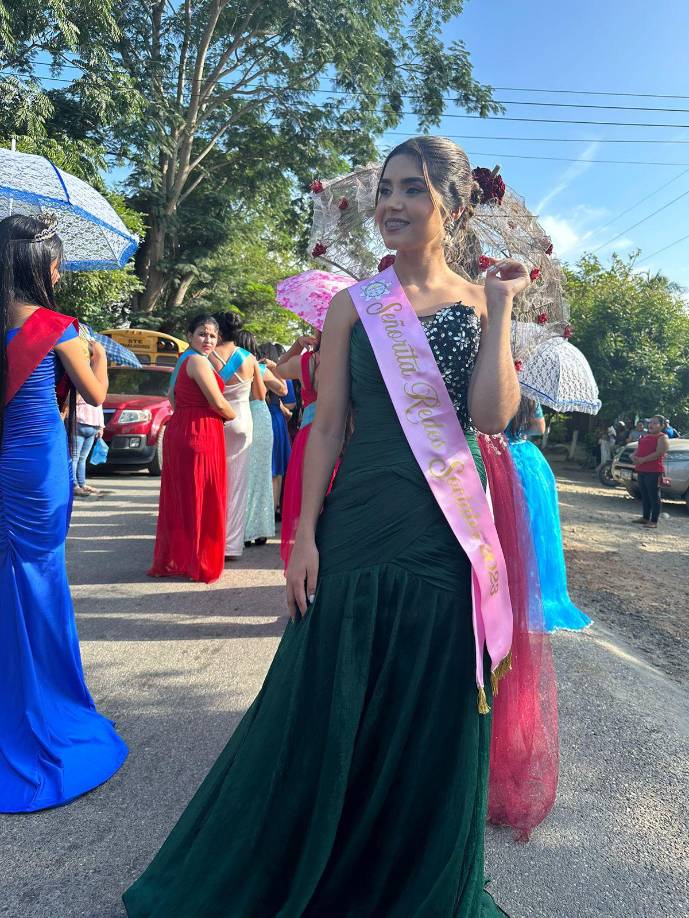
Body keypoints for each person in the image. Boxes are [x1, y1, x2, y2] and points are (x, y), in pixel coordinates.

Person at [123, 136, 524, 916]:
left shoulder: (481, 303)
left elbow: (488, 418)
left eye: (411, 189)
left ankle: (404, 877)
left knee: (428, 703)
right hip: (359, 523)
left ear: (452, 203)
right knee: (327, 695)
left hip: (447, 531)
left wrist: (501, 309)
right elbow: (329, 424)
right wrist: (301, 534)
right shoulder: (353, 304)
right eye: (386, 190)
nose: (392, 205)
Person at [0, 214, 127, 812]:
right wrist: (98, 357)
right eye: (54, 262)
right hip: (35, 466)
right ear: (34, 267)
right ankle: (46, 705)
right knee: (42, 578)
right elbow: (97, 397)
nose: (60, 271)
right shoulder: (57, 327)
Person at [149, 314, 234, 583]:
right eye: (202, 333)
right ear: (189, 335)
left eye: (212, 335)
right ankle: (200, 561)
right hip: (200, 432)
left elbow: (172, 398)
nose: (208, 339)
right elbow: (219, 403)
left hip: (183, 428)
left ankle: (185, 558)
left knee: (184, 497)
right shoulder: (197, 361)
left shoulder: (184, 360)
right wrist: (233, 416)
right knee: (202, 497)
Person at [507, 398, 591, 632]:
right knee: (534, 528)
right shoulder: (529, 398)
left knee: (506, 523)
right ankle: (529, 592)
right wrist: (520, 427)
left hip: (499, 453)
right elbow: (539, 428)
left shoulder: (496, 386)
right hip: (527, 457)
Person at [211, 312, 263, 561]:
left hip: (216, 419)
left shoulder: (207, 356)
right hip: (242, 419)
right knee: (238, 485)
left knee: (214, 482)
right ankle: (231, 546)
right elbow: (259, 395)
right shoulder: (249, 358)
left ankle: (212, 540)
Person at [234, 330, 286, 547]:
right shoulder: (260, 368)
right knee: (262, 474)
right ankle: (261, 528)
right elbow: (282, 390)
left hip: (238, 415)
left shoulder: (230, 367)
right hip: (261, 417)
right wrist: (275, 369)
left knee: (241, 474)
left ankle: (241, 528)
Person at [276, 331, 323, 569]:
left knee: (308, 506)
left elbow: (279, 368)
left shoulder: (307, 362)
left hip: (309, 437)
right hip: (343, 437)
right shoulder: (352, 359)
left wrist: (297, 344)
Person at [258, 342, 296, 516]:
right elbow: (291, 403)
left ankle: (270, 509)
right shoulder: (280, 372)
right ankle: (274, 509)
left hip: (263, 417)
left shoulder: (255, 368)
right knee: (276, 469)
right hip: (275, 418)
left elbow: (290, 402)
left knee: (268, 468)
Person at [632, 414, 669, 529]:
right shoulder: (647, 436)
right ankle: (645, 517)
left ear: (661, 426)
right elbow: (639, 449)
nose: (651, 425)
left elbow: (659, 453)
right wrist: (634, 456)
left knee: (653, 495)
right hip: (642, 468)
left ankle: (654, 521)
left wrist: (643, 459)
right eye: (650, 422)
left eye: (654, 423)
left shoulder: (663, 437)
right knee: (644, 494)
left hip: (654, 470)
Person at [72, 392, 105, 496]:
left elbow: (99, 406)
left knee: (79, 458)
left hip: (88, 424)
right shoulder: (88, 388)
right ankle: (77, 485)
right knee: (78, 458)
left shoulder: (87, 388)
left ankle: (79, 484)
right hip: (86, 423)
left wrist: (101, 427)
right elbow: (100, 406)